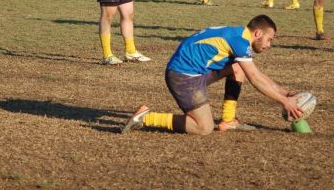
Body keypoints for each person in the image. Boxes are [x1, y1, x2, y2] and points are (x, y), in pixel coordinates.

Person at [122, 15, 304, 135]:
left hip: (194, 72)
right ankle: (146, 118)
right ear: (258, 33)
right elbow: (255, 78)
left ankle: (228, 120)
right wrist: (284, 102)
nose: (268, 45)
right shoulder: (239, 41)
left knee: (238, 68)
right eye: (269, 39)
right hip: (183, 77)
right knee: (204, 128)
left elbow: (255, 73)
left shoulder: (238, 33)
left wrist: (285, 92)